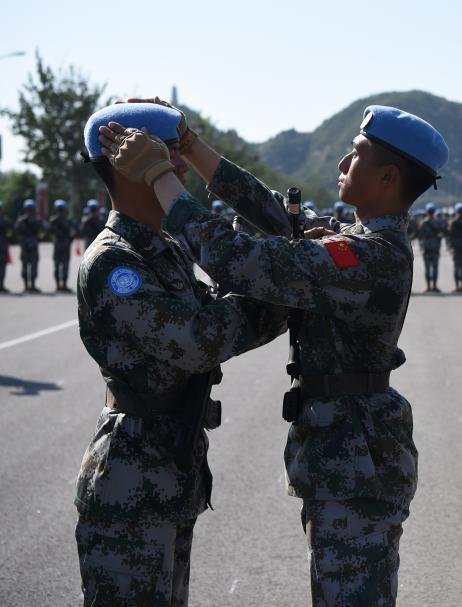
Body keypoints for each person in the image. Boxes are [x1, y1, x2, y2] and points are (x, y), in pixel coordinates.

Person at [99, 101, 448, 606]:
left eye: (355, 155)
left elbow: (237, 260)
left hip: (357, 459)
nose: (342, 164)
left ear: (389, 176)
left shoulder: (369, 256)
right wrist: (192, 147)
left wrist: (160, 176)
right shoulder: (357, 241)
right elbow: (271, 211)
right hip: (349, 452)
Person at [74, 102, 287, 606]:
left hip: (169, 470)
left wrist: (280, 281)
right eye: (168, 154)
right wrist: (283, 290)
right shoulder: (114, 263)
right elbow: (200, 339)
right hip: (130, 483)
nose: (181, 166)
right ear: (128, 164)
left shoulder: (162, 248)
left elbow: (217, 311)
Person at [14, 199, 45, 293]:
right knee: (32, 265)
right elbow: (45, 229)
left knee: (26, 265)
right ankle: (31, 286)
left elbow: (15, 230)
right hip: (33, 243)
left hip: (25, 243)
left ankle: (27, 286)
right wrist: (40, 237)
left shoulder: (21, 219)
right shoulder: (37, 219)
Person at [416, 202, 447, 292]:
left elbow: (420, 235)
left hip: (426, 247)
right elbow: (443, 233)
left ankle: (428, 286)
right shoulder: (439, 222)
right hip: (436, 247)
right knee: (435, 266)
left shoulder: (423, 223)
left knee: (427, 267)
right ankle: (435, 286)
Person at [49, 199, 77, 291]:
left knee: (58, 265)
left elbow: (49, 231)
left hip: (58, 244)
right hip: (65, 244)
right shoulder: (67, 221)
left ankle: (59, 286)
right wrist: (70, 239)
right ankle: (63, 286)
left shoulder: (53, 220)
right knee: (64, 265)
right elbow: (75, 232)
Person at [0, 202, 11, 293]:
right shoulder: (5, 220)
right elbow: (13, 230)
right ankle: (1, 285)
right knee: (2, 266)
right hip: (2, 244)